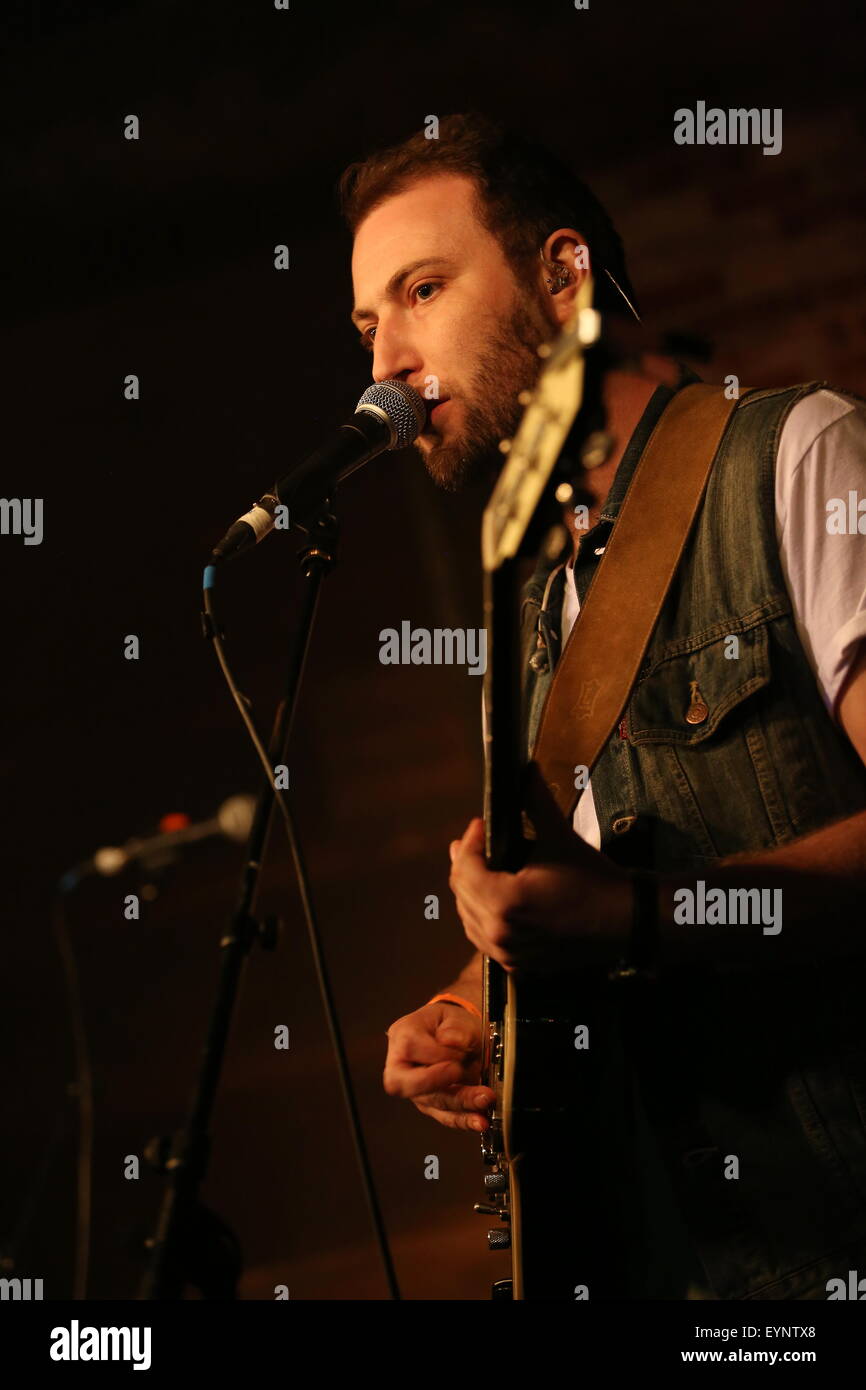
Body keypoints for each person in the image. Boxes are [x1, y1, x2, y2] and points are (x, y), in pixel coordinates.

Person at [340, 112, 866, 1298]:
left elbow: (629, 912)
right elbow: (588, 896)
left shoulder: (795, 456)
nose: (384, 364)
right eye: (368, 324)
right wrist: (474, 1004)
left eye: (421, 290)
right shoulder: (534, 605)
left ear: (564, 273)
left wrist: (638, 922)